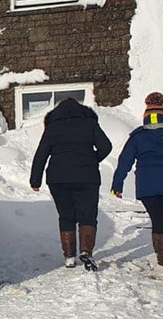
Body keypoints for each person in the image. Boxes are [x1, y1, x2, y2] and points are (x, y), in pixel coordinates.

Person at [30, 97, 112, 271]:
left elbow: (41, 155)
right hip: (87, 176)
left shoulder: (52, 128)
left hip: (58, 178)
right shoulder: (90, 124)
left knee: (66, 216)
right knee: (88, 215)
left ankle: (69, 257)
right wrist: (92, 160)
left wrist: (35, 180)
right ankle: (86, 252)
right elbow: (106, 146)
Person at [111, 92, 163, 267]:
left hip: (147, 188)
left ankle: (162, 257)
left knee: (157, 221)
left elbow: (124, 162)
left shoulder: (137, 137)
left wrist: (117, 185)